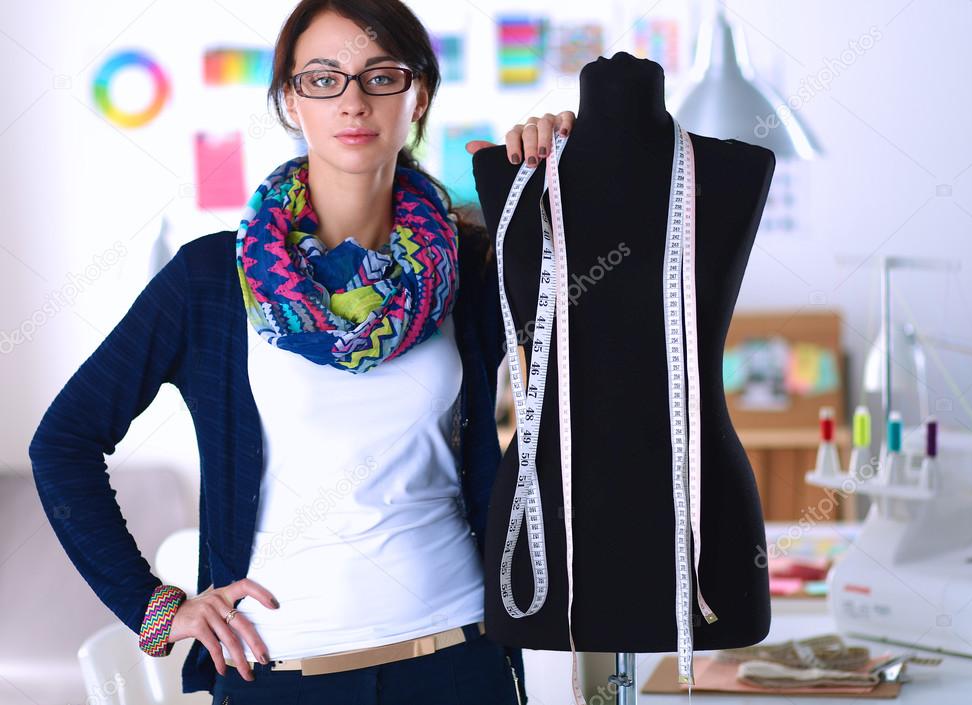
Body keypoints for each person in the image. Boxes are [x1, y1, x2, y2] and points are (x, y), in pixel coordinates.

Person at [28, 1, 575, 702]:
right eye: (324, 79)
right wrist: (156, 605)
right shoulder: (209, 281)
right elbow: (64, 441)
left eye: (382, 76)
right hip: (279, 674)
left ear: (420, 95)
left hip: (458, 657)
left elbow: (614, 328)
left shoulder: (473, 267)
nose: (352, 100)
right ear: (291, 100)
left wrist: (576, 165)